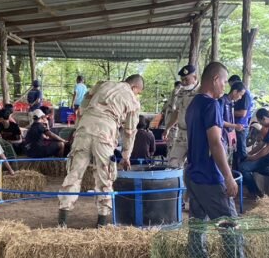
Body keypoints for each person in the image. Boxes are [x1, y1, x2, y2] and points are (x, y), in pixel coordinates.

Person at [184, 62, 247, 258]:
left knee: (197, 227)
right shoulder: (211, 104)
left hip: (192, 173)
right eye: (223, 81)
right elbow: (215, 142)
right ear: (215, 80)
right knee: (231, 229)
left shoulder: (193, 104)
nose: (225, 87)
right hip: (210, 177)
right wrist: (228, 177)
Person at [58, 75, 143, 227]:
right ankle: (101, 223)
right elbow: (130, 131)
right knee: (105, 178)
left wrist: (79, 125)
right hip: (105, 134)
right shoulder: (133, 100)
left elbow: (83, 103)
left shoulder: (103, 84)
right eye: (138, 92)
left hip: (84, 129)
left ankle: (62, 221)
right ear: (135, 88)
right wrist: (126, 155)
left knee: (74, 173)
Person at [239, 108, 269, 199]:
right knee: (244, 163)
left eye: (260, 122)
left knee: (243, 167)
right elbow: (261, 144)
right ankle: (253, 191)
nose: (261, 125)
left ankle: (256, 193)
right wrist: (249, 154)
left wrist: (253, 158)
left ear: (264, 118)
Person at [163, 64, 198, 168]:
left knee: (196, 166)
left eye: (186, 79)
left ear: (195, 78)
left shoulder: (202, 92)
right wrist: (168, 128)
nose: (183, 82)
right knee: (173, 163)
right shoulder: (180, 92)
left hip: (196, 135)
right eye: (182, 80)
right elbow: (176, 112)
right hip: (181, 134)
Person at [228, 74, 254, 168]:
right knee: (235, 152)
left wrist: (228, 112)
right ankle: (236, 174)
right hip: (236, 126)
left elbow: (242, 113)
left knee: (241, 153)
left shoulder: (245, 95)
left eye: (232, 86)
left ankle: (244, 174)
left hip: (241, 127)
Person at [219, 81, 246, 165]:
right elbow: (219, 121)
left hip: (229, 137)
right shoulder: (222, 101)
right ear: (234, 91)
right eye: (240, 94)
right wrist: (234, 126)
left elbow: (231, 120)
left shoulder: (231, 102)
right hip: (222, 136)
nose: (241, 97)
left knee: (229, 162)